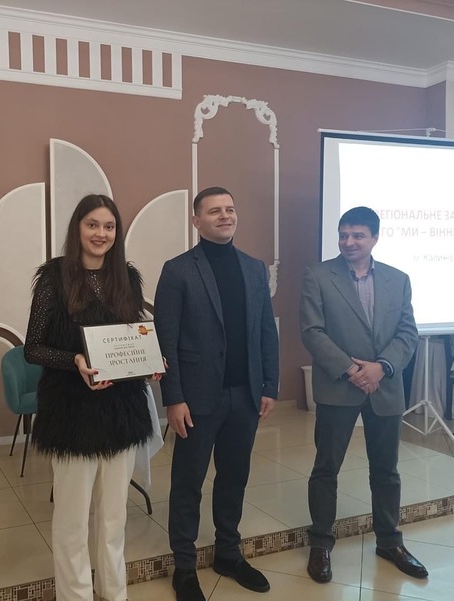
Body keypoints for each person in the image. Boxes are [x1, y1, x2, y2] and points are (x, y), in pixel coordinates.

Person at [24, 194, 159, 601]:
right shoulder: (53, 278)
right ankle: (76, 595)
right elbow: (33, 348)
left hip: (122, 412)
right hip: (71, 413)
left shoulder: (127, 278)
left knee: (114, 517)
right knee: (71, 520)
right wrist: (75, 361)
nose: (101, 233)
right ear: (78, 228)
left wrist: (148, 361)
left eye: (109, 226)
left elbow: (133, 338)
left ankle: (114, 593)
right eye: (93, 225)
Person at [154, 186, 279, 601]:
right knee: (188, 483)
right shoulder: (178, 270)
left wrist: (270, 385)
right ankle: (184, 566)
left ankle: (228, 553)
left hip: (245, 395)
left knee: (234, 478)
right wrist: (173, 398)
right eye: (214, 211)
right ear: (196, 221)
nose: (225, 216)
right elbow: (166, 340)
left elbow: (266, 330)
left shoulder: (254, 268)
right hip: (195, 399)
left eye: (229, 209)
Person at [300, 206, 427, 583]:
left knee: (386, 470)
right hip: (339, 387)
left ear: (374, 238)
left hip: (385, 388)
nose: (349, 242)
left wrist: (381, 367)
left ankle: (389, 541)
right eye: (343, 235)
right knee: (326, 468)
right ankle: (321, 542)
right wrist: (353, 370)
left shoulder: (398, 279)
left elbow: (408, 333)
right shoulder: (318, 275)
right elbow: (312, 331)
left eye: (357, 235)